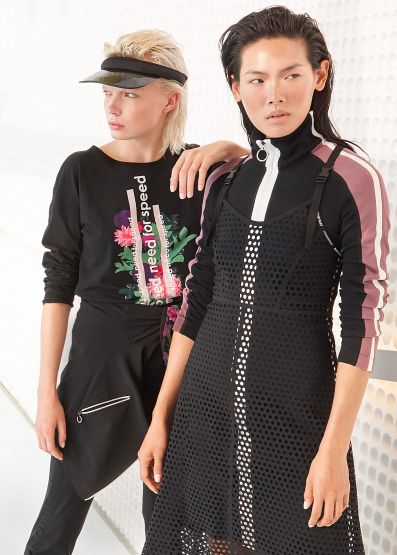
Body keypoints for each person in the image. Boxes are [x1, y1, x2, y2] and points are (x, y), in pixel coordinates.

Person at [139, 6, 390, 554]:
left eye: (290, 75)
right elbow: (197, 302)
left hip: (297, 415)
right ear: (236, 87)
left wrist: (333, 450)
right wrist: (161, 416)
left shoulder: (351, 178)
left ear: (319, 75)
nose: (274, 94)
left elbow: (362, 322)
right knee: (212, 543)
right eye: (256, 80)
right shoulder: (226, 180)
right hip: (205, 407)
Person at [24, 28, 249, 555]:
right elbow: (58, 282)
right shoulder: (81, 171)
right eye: (108, 92)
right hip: (102, 355)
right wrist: (46, 390)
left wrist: (228, 148)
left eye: (128, 93)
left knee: (168, 513)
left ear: (170, 99)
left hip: (182, 353)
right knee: (63, 505)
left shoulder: (201, 168)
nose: (112, 106)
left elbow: (265, 171)